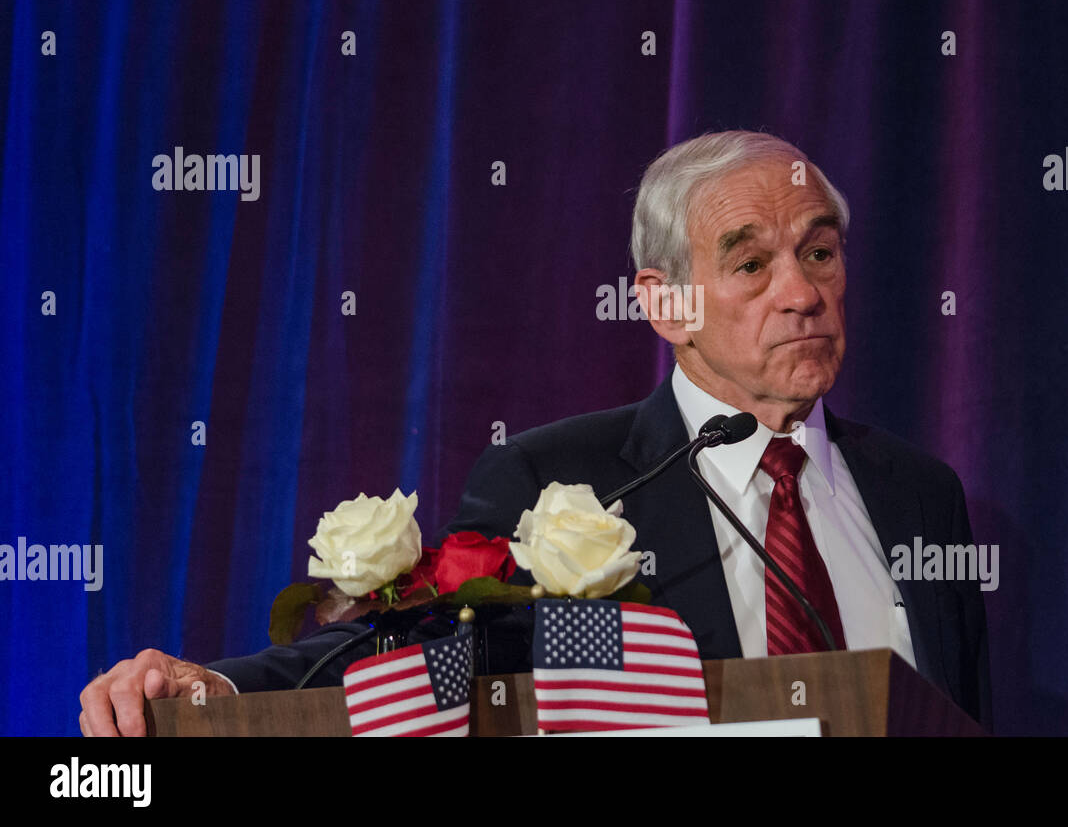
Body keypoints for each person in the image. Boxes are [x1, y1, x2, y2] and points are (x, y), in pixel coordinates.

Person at [78, 130, 992, 735]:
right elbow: (421, 655)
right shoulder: (565, 482)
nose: (801, 291)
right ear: (661, 302)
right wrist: (217, 690)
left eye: (820, 253)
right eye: (751, 263)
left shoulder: (920, 492)